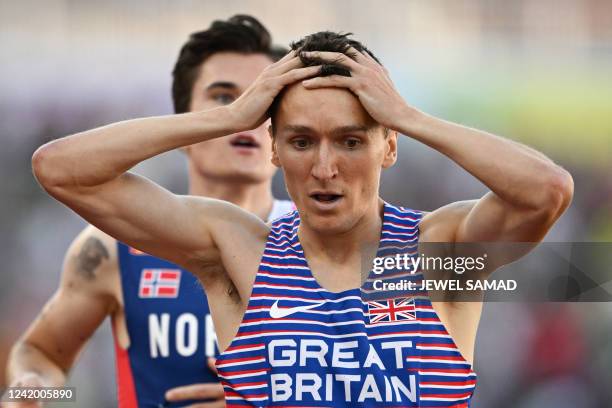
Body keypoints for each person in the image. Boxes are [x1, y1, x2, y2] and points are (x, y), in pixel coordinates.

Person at [30, 31, 573, 407]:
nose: (324, 168)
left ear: (389, 148)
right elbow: (62, 169)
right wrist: (229, 117)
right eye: (301, 141)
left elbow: (545, 191)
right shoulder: (238, 251)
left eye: (351, 141)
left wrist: (410, 115)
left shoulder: (440, 250)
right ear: (273, 150)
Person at [6, 15, 293, 408]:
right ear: (185, 125)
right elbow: (41, 354)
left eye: (265, 102)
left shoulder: (319, 243)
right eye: (224, 98)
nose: (248, 116)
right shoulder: (114, 248)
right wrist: (32, 390)